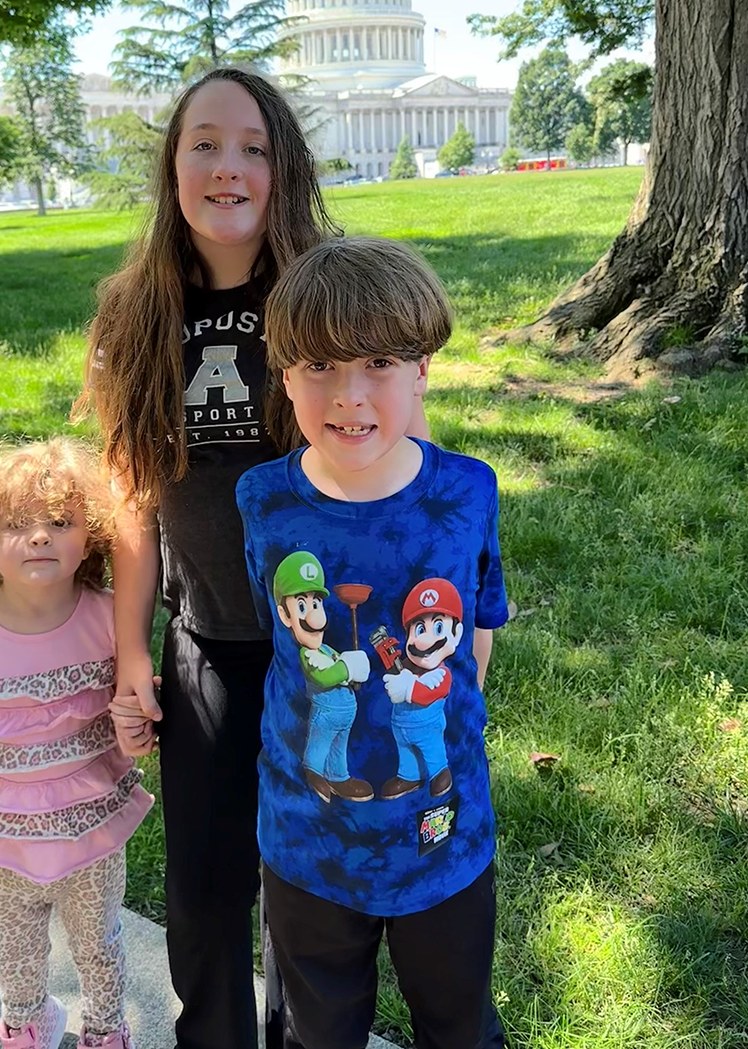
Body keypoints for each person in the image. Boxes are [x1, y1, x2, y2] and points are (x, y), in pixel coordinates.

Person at [76, 67, 342, 1049]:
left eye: (253, 148)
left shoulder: (326, 294)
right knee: (201, 895)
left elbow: (391, 460)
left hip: (321, 651)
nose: (228, 167)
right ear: (173, 165)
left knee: (305, 898)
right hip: (204, 650)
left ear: (283, 168)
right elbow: (132, 498)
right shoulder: (134, 313)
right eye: (205, 144)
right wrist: (135, 656)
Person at [235, 236, 509, 1049]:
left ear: (423, 369)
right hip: (307, 842)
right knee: (320, 1034)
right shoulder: (264, 501)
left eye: (381, 362)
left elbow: (477, 628)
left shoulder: (466, 491)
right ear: (283, 374)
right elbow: (279, 639)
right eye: (319, 366)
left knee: (458, 1026)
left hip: (442, 838)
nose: (349, 395)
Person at [0, 438, 153, 1049]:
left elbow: (130, 727)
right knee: (12, 955)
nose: (40, 537)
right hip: (3, 842)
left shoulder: (108, 617)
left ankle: (105, 1031)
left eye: (59, 522)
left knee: (100, 947)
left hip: (91, 835)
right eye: (17, 526)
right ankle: (27, 1026)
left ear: (92, 537)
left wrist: (137, 729)